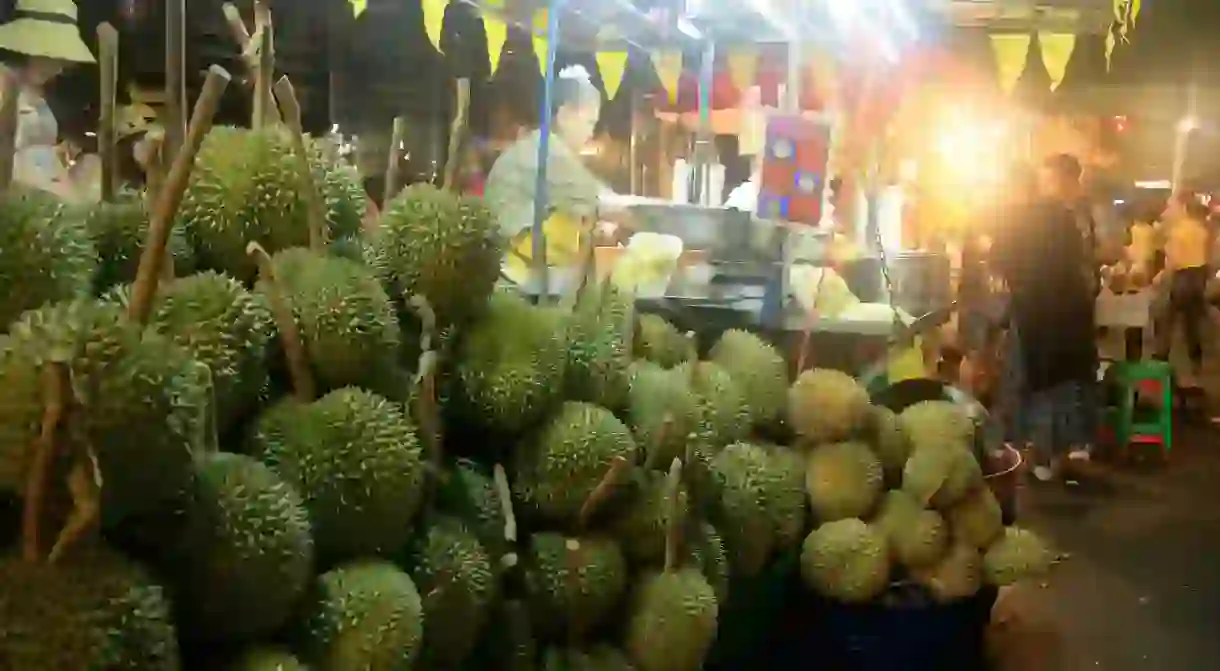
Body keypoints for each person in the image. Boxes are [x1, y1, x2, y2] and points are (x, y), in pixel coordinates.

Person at [992, 163, 1098, 483]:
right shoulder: (1061, 214)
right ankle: (1065, 453)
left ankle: (1040, 457)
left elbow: (1000, 262)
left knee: (1034, 382)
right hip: (1070, 309)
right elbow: (1081, 257)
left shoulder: (1016, 218)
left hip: (1037, 310)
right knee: (1063, 382)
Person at [484, 65, 627, 285]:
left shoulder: (546, 147)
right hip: (514, 273)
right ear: (565, 114)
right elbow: (596, 197)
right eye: (589, 122)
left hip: (527, 267)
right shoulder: (547, 152)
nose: (590, 133)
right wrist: (648, 216)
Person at [0, 0, 96, 199]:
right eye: (54, 56)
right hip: (21, 194)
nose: (59, 68)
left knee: (93, 164)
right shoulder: (4, 82)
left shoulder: (39, 92)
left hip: (53, 189)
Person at [1153, 190, 1213, 381]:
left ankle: (1161, 359)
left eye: (1171, 206)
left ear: (1182, 209)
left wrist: (1160, 277)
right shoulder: (1201, 229)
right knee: (1191, 323)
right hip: (1198, 277)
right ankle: (1196, 362)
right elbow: (1209, 257)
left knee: (1165, 319)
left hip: (1181, 278)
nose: (1168, 210)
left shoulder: (1177, 232)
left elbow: (1174, 261)